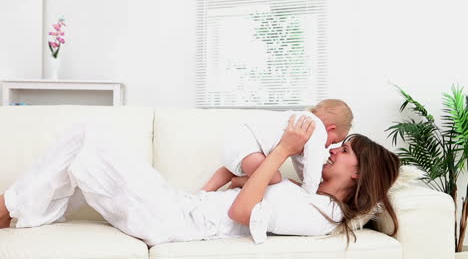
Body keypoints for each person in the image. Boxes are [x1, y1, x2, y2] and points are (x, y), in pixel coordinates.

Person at [0, 115, 399, 246]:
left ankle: (8, 208)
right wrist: (231, 175)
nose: (333, 150)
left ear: (358, 172)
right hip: (178, 207)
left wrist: (281, 149)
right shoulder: (304, 194)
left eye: (343, 151)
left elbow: (242, 211)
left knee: (87, 138)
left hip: (171, 221)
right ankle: (20, 209)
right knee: (85, 145)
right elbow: (228, 196)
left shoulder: (320, 215)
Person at [202, 99, 354, 194]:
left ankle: (205, 192)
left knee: (229, 168)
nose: (328, 147)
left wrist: (303, 182)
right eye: (333, 142)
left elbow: (301, 162)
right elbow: (312, 163)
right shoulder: (315, 129)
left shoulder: (300, 119)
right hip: (247, 145)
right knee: (274, 178)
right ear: (331, 128)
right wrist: (309, 191)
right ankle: (237, 182)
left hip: (237, 138)